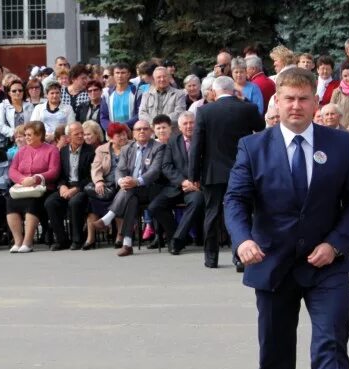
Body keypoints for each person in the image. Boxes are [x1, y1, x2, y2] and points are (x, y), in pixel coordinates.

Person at [223, 67, 349, 369]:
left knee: (330, 347)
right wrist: (243, 240)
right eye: (288, 98)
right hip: (272, 265)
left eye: (304, 98)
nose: (296, 106)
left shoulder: (341, 145)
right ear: (277, 102)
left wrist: (336, 245)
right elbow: (235, 200)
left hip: (327, 266)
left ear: (316, 103)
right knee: (275, 352)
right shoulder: (253, 147)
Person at [188, 76, 265, 269]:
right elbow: (261, 127)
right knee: (242, 213)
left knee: (212, 213)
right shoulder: (247, 108)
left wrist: (193, 175)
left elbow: (196, 145)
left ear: (214, 92)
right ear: (234, 90)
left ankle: (211, 258)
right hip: (242, 169)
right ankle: (240, 258)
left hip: (213, 172)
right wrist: (244, 101)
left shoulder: (204, 111)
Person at [93, 120, 165, 256]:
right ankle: (127, 244)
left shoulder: (158, 147)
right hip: (131, 190)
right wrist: (121, 181)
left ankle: (108, 218)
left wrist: (136, 181)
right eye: (138, 129)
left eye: (145, 128)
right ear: (134, 133)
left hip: (151, 188)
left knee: (130, 190)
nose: (142, 131)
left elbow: (155, 171)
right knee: (131, 198)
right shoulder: (128, 148)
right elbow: (120, 170)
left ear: (150, 131)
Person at [148, 111, 204, 255]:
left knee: (197, 201)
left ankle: (177, 241)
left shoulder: (205, 139)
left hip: (197, 187)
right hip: (177, 186)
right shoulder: (173, 141)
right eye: (185, 124)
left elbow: (210, 164)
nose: (189, 126)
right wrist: (182, 181)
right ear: (179, 127)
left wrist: (198, 181)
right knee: (155, 206)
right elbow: (166, 166)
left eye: (192, 122)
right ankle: (176, 235)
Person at [7, 121, 61, 253]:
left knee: (33, 203)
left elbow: (54, 171)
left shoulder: (51, 150)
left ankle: (28, 242)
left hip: (42, 188)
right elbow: (12, 170)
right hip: (23, 187)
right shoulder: (21, 151)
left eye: (29, 135)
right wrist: (22, 179)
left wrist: (36, 178)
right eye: (25, 135)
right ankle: (18, 241)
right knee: (10, 202)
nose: (26, 137)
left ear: (39, 135)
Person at [44, 122, 95, 250]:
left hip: (83, 188)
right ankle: (62, 240)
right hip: (66, 186)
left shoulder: (91, 151)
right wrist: (62, 186)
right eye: (76, 134)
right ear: (68, 137)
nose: (80, 136)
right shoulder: (63, 152)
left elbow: (91, 177)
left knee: (75, 202)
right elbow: (59, 174)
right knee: (50, 202)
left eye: (82, 133)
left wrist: (76, 189)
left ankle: (77, 240)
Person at [84, 122, 131, 250]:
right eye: (118, 135)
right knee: (92, 200)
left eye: (123, 134)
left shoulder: (132, 146)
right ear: (110, 137)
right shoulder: (102, 149)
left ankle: (119, 236)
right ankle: (91, 237)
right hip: (106, 183)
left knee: (119, 197)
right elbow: (95, 168)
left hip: (122, 184)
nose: (122, 138)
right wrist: (98, 181)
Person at [100, 63, 141, 131]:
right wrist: (111, 128)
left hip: (132, 131)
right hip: (113, 133)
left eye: (123, 73)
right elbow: (103, 117)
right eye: (117, 73)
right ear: (113, 75)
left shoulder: (136, 92)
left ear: (128, 74)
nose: (120, 75)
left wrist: (124, 125)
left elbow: (140, 114)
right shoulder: (107, 94)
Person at [0, 79, 34, 149]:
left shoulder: (30, 105)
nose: (18, 92)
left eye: (20, 90)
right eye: (14, 91)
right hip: (9, 141)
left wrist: (25, 135)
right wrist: (14, 133)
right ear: (9, 93)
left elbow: (33, 123)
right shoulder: (3, 105)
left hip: (27, 140)